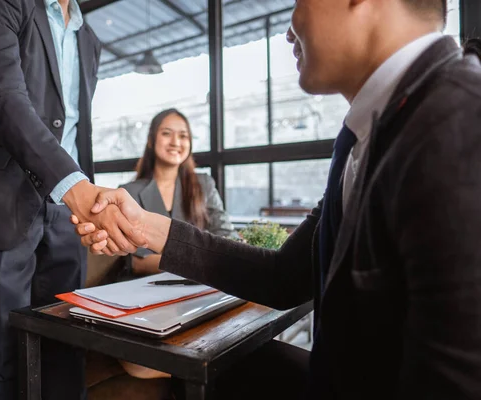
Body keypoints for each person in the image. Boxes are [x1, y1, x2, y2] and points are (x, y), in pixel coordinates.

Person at [72, 0, 481, 399]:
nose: (289, 29)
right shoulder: (364, 135)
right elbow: (284, 277)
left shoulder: (457, 121)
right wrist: (145, 226)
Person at [0, 1, 143, 399]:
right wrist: (76, 186)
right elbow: (2, 99)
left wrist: (86, 194)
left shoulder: (87, 37)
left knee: (66, 353)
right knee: (2, 363)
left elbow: (74, 123)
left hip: (68, 214)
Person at [117, 108, 235, 279]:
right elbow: (138, 261)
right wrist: (200, 264)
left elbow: (225, 235)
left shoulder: (204, 184)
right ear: (151, 140)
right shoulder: (128, 192)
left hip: (200, 288)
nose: (175, 142)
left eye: (183, 136)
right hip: (146, 289)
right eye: (166, 134)